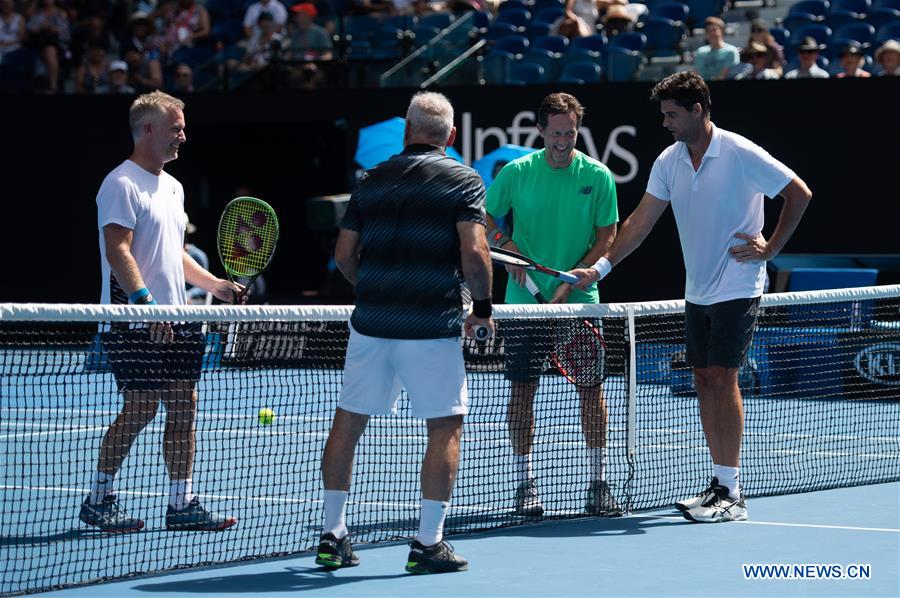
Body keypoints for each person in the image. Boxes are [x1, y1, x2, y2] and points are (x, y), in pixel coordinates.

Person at [569, 71, 812, 523]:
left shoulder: (739, 152)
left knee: (723, 376)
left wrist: (771, 249)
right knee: (703, 378)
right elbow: (639, 223)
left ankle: (732, 493)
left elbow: (798, 193)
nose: (665, 123)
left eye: (671, 114)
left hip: (738, 284)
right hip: (696, 290)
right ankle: (719, 483)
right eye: (664, 115)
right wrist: (600, 268)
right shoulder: (669, 161)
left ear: (697, 110)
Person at [319, 91, 492, 574]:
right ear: (451, 136)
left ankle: (332, 536)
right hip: (431, 326)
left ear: (407, 132)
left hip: (371, 324)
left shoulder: (370, 180)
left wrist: (374, 290)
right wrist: (481, 308)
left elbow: (344, 255)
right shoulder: (464, 179)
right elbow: (475, 252)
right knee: (445, 426)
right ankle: (428, 543)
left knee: (348, 422)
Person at [81, 91, 245, 533]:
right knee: (141, 408)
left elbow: (174, 253)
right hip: (133, 320)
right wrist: (146, 305)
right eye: (176, 128)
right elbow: (118, 251)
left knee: (184, 407)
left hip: (178, 320)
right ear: (149, 130)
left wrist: (214, 285)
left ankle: (181, 503)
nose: (183, 136)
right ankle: (99, 498)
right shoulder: (121, 183)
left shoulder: (173, 187)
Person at [485, 92, 620, 518]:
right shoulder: (516, 173)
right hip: (525, 302)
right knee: (522, 390)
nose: (562, 142)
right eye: (555, 133)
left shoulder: (598, 176)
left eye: (570, 133)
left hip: (580, 301)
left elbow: (607, 237)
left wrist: (576, 277)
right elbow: (484, 218)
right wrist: (505, 248)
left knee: (592, 390)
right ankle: (525, 484)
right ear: (540, 131)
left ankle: (598, 483)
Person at [692, 16, 740, 81]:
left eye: (714, 30)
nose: (711, 33)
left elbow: (723, 77)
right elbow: (697, 75)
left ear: (722, 31)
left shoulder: (731, 51)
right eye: (708, 31)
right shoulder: (700, 52)